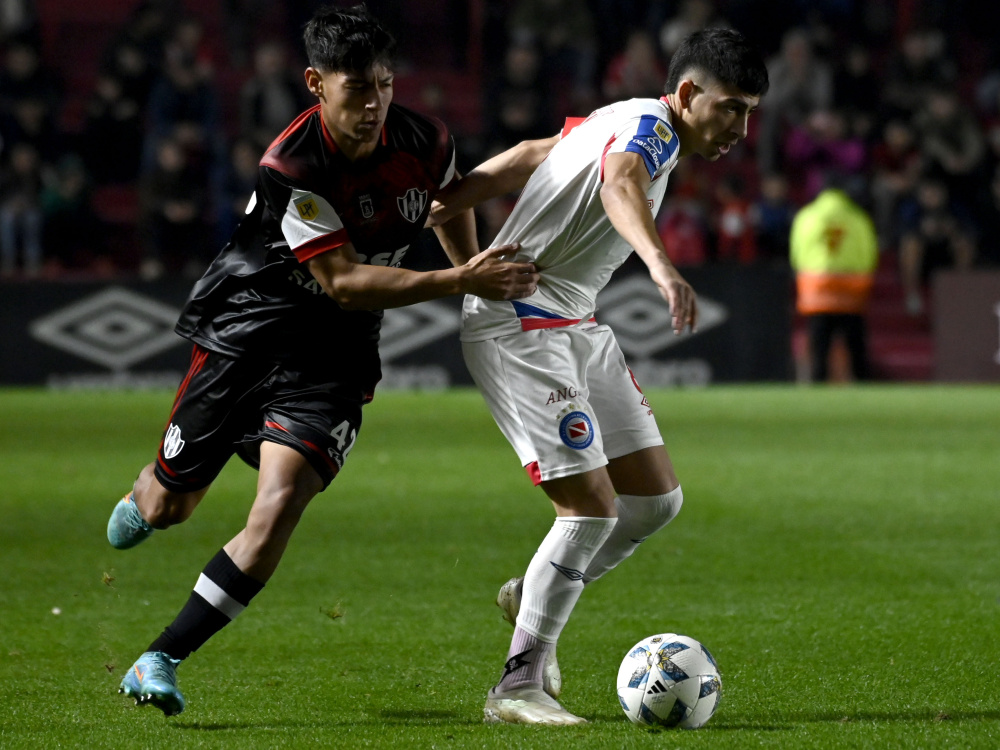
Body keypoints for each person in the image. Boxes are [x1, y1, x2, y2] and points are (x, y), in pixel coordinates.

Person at [106, 4, 538, 717]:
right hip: (247, 336)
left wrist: (474, 276)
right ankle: (147, 496)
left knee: (279, 505)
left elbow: (444, 202)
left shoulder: (425, 137)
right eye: (356, 89)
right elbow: (342, 281)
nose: (374, 105)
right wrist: (461, 279)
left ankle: (162, 656)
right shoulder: (293, 164)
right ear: (316, 83)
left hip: (335, 358)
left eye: (384, 85)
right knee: (170, 506)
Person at [429, 27, 768, 724]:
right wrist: (661, 265)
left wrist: (450, 203)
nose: (740, 128)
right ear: (687, 93)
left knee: (655, 501)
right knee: (589, 508)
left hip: (572, 322)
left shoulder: (616, 116)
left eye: (749, 112)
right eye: (731, 108)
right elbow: (620, 183)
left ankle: (534, 594)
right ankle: (517, 686)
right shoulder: (653, 132)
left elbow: (531, 154)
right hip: (522, 326)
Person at [789, 180, 879, 382]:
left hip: (816, 285)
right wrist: (865, 274)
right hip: (851, 285)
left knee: (820, 341)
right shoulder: (857, 216)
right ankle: (862, 380)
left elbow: (797, 249)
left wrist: (803, 271)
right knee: (855, 340)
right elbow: (868, 250)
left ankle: (818, 380)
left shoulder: (807, 216)